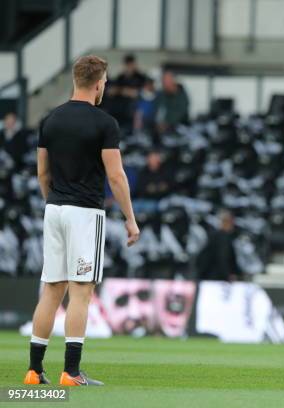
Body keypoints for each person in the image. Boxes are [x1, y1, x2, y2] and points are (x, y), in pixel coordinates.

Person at [23, 55, 140, 386]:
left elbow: (42, 171)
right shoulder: (105, 124)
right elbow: (116, 177)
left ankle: (34, 371)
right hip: (85, 213)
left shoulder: (50, 120)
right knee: (81, 291)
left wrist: (53, 201)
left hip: (54, 209)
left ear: (75, 79)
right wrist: (130, 219)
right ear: (100, 82)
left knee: (51, 290)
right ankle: (71, 373)